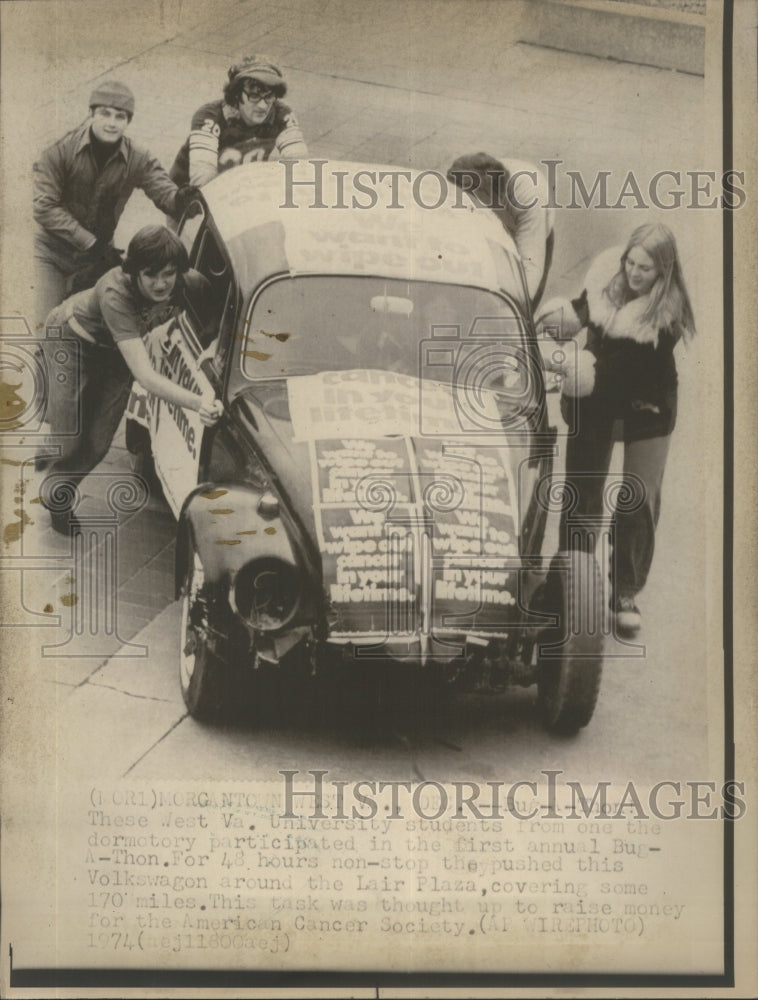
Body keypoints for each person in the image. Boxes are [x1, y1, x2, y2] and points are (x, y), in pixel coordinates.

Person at [537, 223, 696, 636]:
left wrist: (578, 370)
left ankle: (624, 589)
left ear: (664, 272)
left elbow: (626, 370)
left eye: (645, 268)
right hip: (594, 398)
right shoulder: (607, 275)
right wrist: (562, 318)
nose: (634, 273)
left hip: (646, 404)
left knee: (637, 496)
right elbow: (585, 308)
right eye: (630, 262)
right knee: (583, 485)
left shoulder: (667, 315)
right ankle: (572, 576)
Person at [38, 225, 222, 533]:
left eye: (169, 273)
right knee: (68, 439)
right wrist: (198, 402)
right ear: (134, 271)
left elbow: (217, 320)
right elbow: (146, 377)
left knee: (97, 444)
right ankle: (49, 446)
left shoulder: (189, 284)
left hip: (118, 355)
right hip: (71, 345)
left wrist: (214, 349)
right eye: (151, 275)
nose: (161, 284)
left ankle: (58, 495)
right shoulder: (114, 292)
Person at [33, 80, 197, 333]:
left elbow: (162, 189)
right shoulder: (59, 151)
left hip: (96, 257)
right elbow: (44, 207)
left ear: (127, 121)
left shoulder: (137, 157)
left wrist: (180, 199)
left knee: (106, 322)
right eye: (104, 114)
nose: (111, 122)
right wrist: (92, 243)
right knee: (45, 328)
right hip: (52, 255)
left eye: (120, 117)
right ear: (91, 114)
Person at [170, 55, 308, 187]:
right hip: (189, 196)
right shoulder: (210, 116)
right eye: (253, 95)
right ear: (236, 94)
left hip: (240, 192)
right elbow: (202, 177)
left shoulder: (281, 113)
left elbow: (300, 163)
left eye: (269, 96)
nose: (263, 105)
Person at [446, 152, 554, 308]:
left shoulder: (528, 196)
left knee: (523, 306)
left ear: (488, 193)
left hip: (530, 232)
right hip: (497, 224)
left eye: (472, 200)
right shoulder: (474, 187)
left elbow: (531, 268)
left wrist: (509, 310)